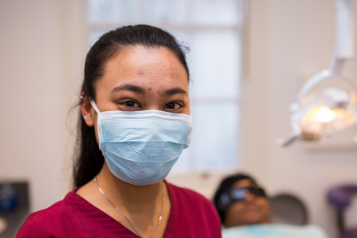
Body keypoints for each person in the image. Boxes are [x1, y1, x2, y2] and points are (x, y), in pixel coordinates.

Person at [16, 25, 221, 238]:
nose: (152, 126)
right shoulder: (48, 231)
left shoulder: (202, 213)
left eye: (172, 105)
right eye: (130, 102)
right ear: (88, 108)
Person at [213, 173, 328, 238]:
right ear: (222, 208)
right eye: (237, 195)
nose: (249, 198)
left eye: (256, 192)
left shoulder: (312, 233)